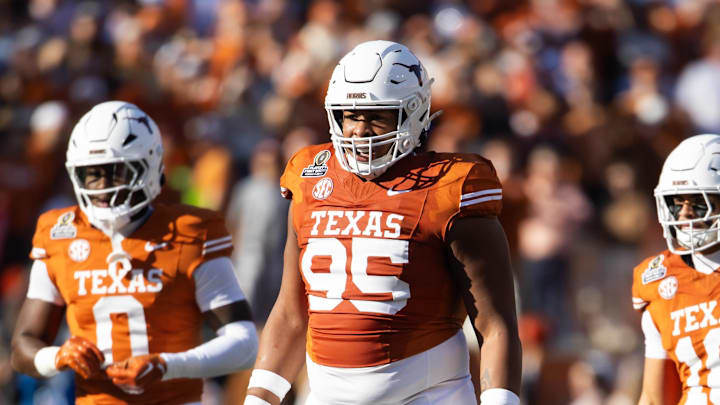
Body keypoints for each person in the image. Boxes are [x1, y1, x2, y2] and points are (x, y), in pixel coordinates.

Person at [244, 40, 521, 405]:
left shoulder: (451, 187)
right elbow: (292, 311)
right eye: (350, 115)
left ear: (414, 112)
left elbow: (495, 323)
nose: (359, 130)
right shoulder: (310, 176)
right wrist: (260, 399)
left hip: (427, 396)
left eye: (376, 115)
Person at [11, 101, 258, 404]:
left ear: (149, 166)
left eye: (116, 172)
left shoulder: (189, 232)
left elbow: (244, 342)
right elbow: (23, 346)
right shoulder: (60, 234)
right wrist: (56, 357)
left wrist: (169, 365)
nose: (102, 188)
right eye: (92, 174)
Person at [634, 134, 720, 405]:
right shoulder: (659, 280)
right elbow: (653, 397)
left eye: (697, 202)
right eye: (676, 203)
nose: (683, 215)